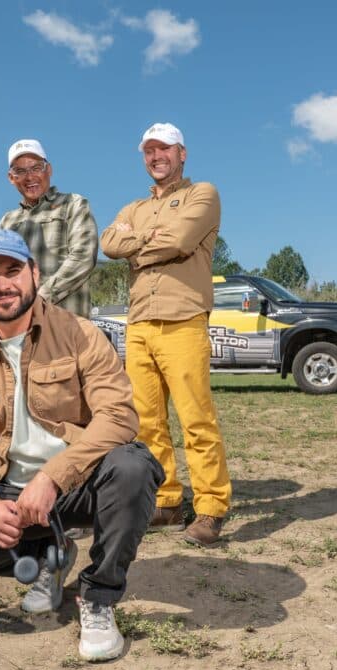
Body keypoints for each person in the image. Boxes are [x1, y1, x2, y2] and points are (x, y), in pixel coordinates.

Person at [0, 229, 163, 662]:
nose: (2, 285)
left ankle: (99, 598)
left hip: (78, 484)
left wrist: (53, 477)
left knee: (133, 467)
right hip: (11, 492)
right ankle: (49, 556)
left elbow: (119, 416)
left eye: (12, 270)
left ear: (34, 273)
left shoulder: (81, 334)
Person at [99, 122, 232, 547]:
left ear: (182, 153)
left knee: (196, 419)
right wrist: (149, 239)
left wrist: (137, 243)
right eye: (149, 151)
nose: (157, 157)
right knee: (146, 422)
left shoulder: (203, 195)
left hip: (184, 319)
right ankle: (168, 500)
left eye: (165, 149)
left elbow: (179, 240)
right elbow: (107, 243)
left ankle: (211, 508)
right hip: (139, 323)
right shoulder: (134, 206)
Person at [0, 139, 98, 317]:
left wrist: (40, 298)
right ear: (11, 178)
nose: (29, 177)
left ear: (49, 169)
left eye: (36, 168)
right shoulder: (7, 221)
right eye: (20, 171)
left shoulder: (73, 204)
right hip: (20, 327)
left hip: (66, 324)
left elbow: (83, 257)